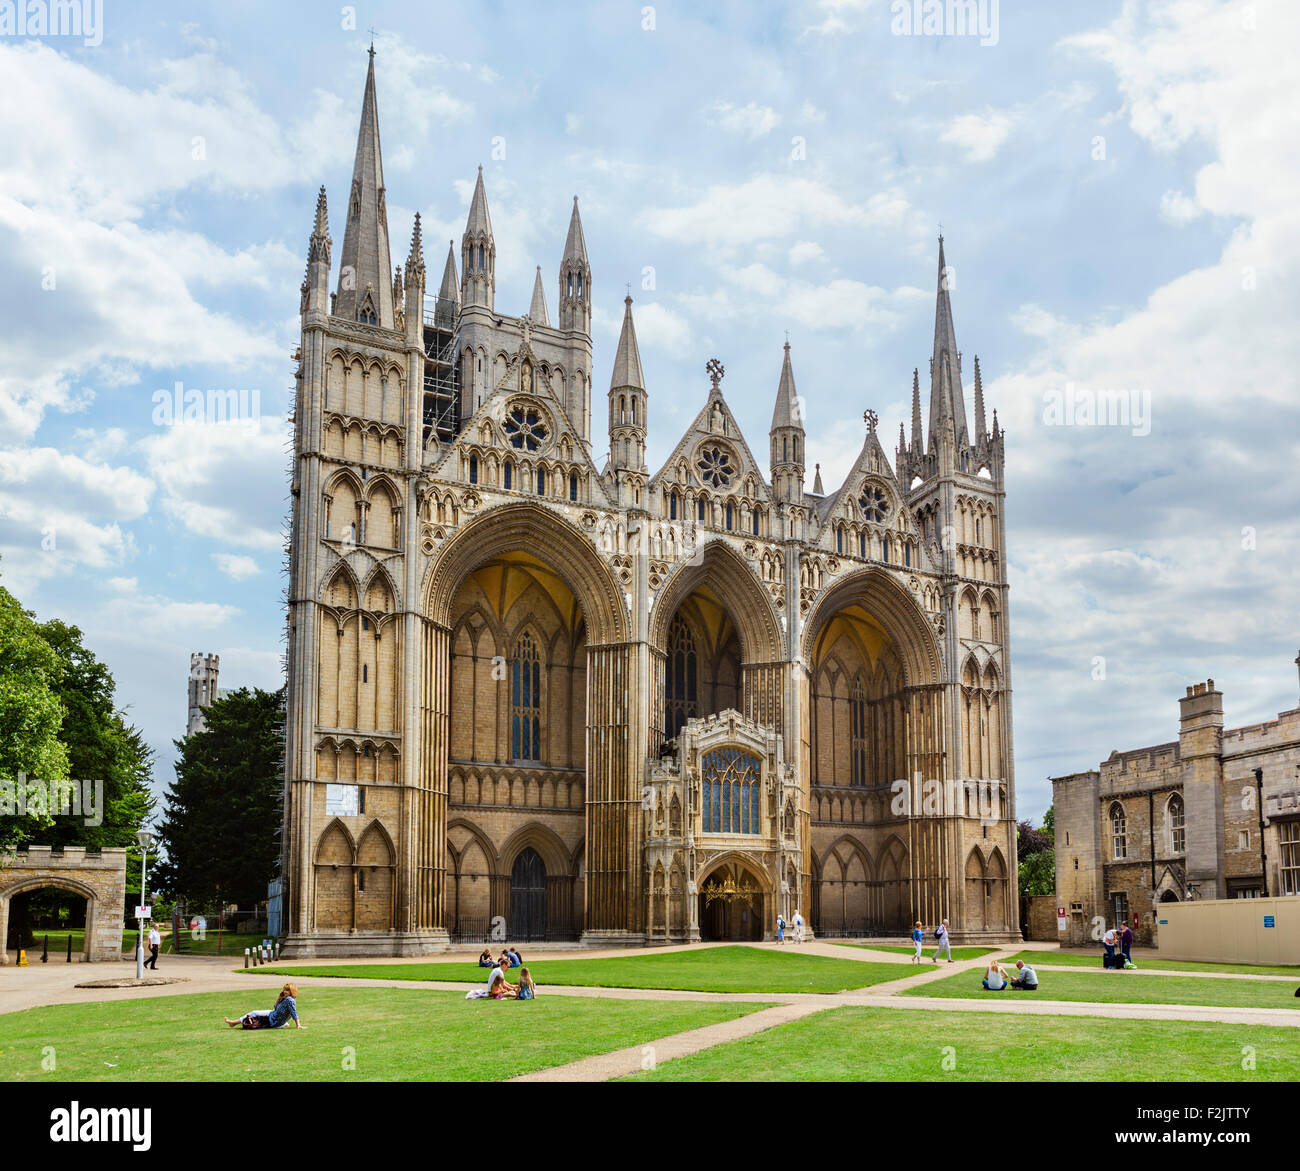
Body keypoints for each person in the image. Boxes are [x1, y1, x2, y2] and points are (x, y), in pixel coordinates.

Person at [225, 983, 305, 1030]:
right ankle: (283, 1024)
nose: (284, 991)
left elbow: (294, 1013)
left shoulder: (289, 1000)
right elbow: (275, 1008)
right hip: (274, 1015)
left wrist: (298, 1025)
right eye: (284, 989)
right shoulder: (289, 999)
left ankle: (233, 1023)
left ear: (292, 991)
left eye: (287, 990)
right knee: (255, 1013)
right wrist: (279, 998)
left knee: (254, 1013)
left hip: (273, 1019)